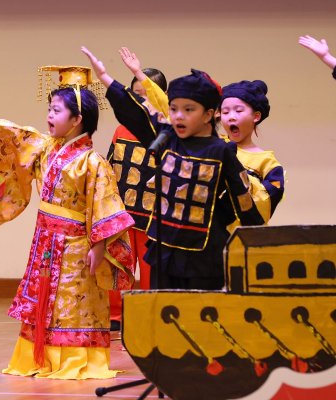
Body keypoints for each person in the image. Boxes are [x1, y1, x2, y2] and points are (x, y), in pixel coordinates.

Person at [0, 65, 134, 379]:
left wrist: (99, 246)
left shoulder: (92, 162)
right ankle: (39, 357)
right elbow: (15, 136)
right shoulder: (46, 149)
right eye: (49, 108)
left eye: (57, 110)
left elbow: (104, 206)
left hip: (76, 245)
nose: (49, 115)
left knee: (73, 303)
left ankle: (75, 359)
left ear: (77, 120)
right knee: (43, 300)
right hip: (45, 240)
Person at [82, 47, 264, 290]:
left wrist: (251, 238)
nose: (178, 116)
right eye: (174, 109)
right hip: (164, 250)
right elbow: (137, 113)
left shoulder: (221, 151)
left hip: (204, 253)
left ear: (209, 114)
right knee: (162, 305)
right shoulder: (166, 138)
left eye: (188, 110)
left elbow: (243, 200)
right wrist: (105, 77)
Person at [107, 48, 169, 330]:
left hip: (154, 212)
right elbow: (110, 166)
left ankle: (149, 313)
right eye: (136, 94)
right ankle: (116, 316)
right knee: (119, 262)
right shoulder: (120, 130)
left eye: (147, 94)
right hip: (123, 210)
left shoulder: (167, 130)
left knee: (150, 267)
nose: (141, 100)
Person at [219, 80, 284, 227]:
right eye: (225, 112)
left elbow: (267, 203)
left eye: (238, 111)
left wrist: (237, 173)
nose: (231, 116)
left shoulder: (267, 162)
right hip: (207, 235)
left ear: (256, 116)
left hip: (242, 236)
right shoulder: (214, 146)